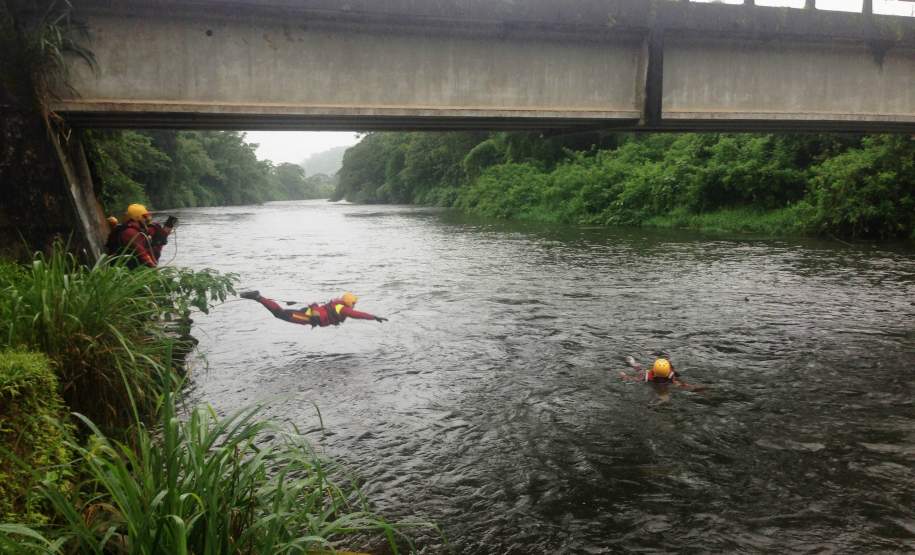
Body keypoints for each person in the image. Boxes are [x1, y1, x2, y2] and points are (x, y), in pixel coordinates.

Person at [239, 290, 388, 328]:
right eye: (353, 303)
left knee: (280, 313)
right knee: (279, 314)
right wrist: (374, 317)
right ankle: (258, 297)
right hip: (308, 317)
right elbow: (358, 314)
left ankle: (258, 297)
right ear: (350, 303)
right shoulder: (344, 309)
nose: (354, 305)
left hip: (308, 313)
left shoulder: (338, 304)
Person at [106, 203, 176, 268]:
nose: (147, 218)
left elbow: (156, 235)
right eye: (145, 216)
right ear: (137, 217)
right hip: (124, 265)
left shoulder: (138, 228)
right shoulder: (130, 232)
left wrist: (163, 232)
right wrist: (154, 269)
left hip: (128, 261)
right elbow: (142, 254)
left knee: (157, 235)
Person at [619, 356, 700, 390]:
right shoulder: (672, 378)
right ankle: (633, 364)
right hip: (663, 386)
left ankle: (633, 363)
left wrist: (624, 376)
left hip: (650, 381)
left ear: (653, 370)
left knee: (640, 370)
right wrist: (695, 388)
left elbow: (633, 379)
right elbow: (684, 385)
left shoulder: (646, 376)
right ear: (669, 370)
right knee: (640, 371)